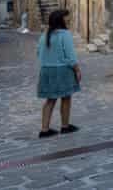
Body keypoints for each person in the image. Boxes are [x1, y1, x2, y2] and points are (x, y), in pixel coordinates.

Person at [37, 9, 81, 138]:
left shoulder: (44, 34)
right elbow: (70, 56)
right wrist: (77, 69)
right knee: (66, 98)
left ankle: (44, 129)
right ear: (61, 19)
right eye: (67, 17)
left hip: (46, 70)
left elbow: (38, 52)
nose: (69, 19)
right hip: (62, 70)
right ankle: (65, 126)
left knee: (50, 100)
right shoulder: (65, 34)